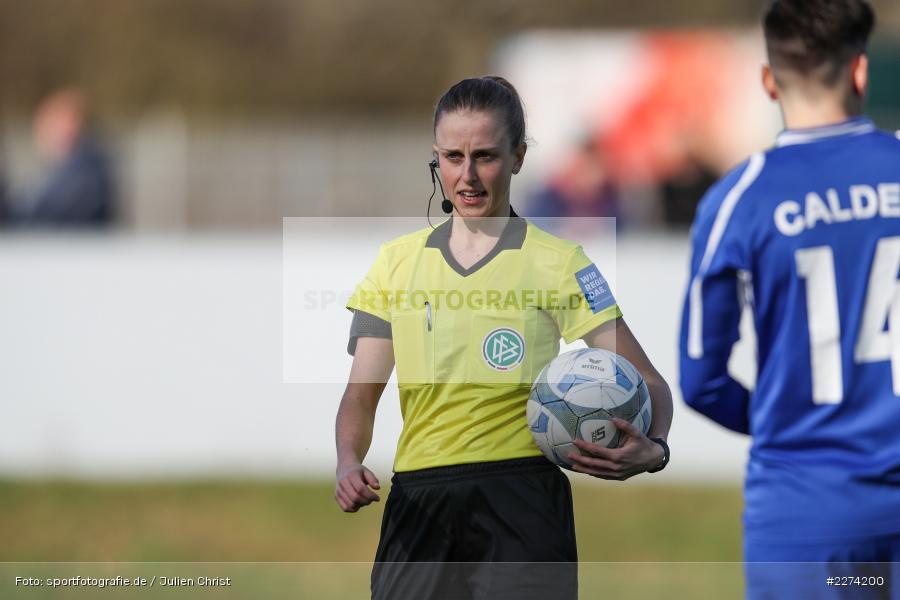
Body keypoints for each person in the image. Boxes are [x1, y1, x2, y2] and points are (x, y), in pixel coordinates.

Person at [335, 76, 673, 600]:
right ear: (436, 158)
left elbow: (648, 381)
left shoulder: (560, 263)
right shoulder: (394, 264)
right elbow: (360, 395)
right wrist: (348, 461)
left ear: (517, 158)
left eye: (485, 156)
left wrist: (655, 450)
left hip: (523, 501)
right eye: (453, 156)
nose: (467, 175)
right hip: (419, 503)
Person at [679, 1, 900, 597]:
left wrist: (789, 422)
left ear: (769, 81)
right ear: (861, 71)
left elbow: (701, 380)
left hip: (807, 511)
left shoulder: (739, 200)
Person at [4, 88, 115, 227]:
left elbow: (38, 219)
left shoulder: (83, 175)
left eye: (46, 126)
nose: (39, 136)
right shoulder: (65, 173)